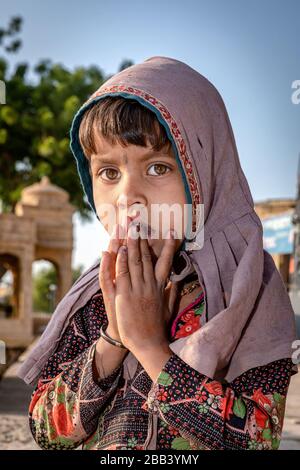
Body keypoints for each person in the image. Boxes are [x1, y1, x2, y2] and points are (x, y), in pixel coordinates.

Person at [18, 56, 298, 450]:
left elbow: (258, 440)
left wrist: (150, 347)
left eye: (157, 168)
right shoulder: (99, 293)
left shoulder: (249, 289)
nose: (127, 195)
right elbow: (46, 431)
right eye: (109, 173)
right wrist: (115, 336)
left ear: (203, 169)